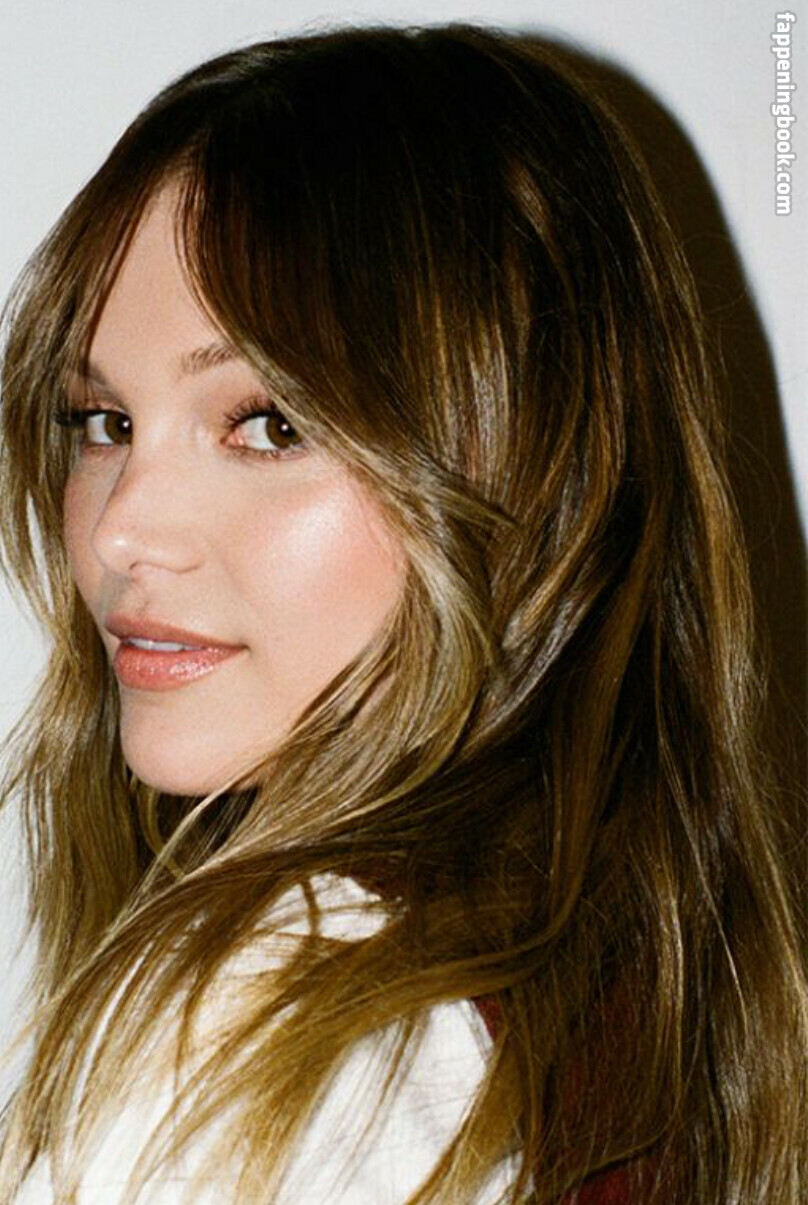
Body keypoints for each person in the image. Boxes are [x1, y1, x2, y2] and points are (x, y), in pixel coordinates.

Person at [0, 22, 805, 1205]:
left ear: (529, 470)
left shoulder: (269, 1018)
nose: (122, 530)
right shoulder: (651, 984)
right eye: (103, 422)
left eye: (268, 423)